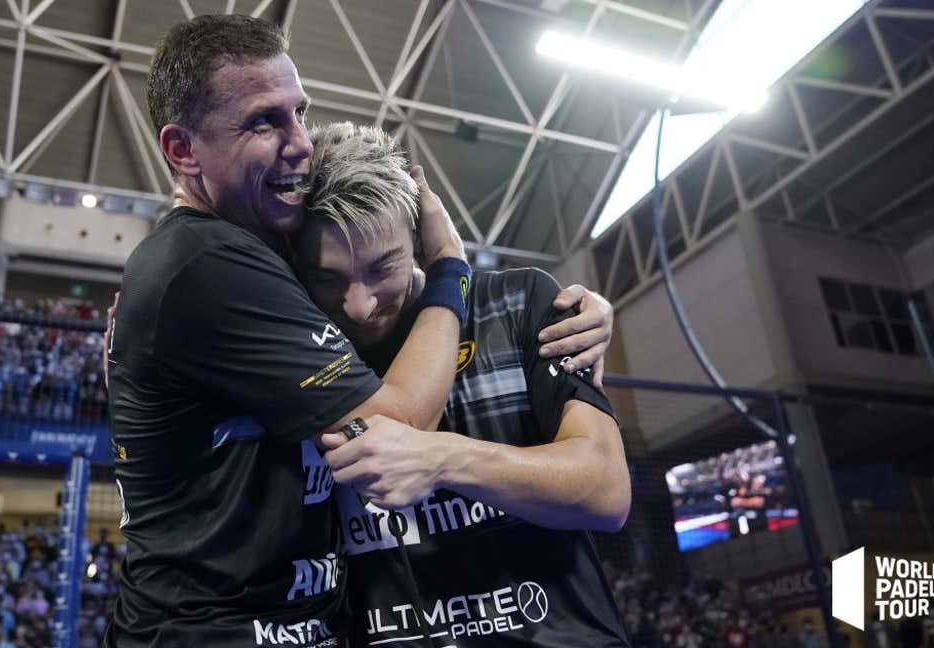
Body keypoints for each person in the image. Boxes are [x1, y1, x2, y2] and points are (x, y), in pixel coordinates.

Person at [105, 14, 611, 648]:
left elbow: (607, 490)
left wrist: (565, 308)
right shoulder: (204, 263)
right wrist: (451, 263)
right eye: (264, 121)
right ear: (182, 150)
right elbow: (392, 426)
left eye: (300, 112)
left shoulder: (258, 267)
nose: (299, 142)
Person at [299, 122, 630, 646]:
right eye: (328, 278)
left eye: (383, 266)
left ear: (418, 232)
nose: (359, 306)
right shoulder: (301, 350)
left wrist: (444, 459)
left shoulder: (520, 302)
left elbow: (606, 489)